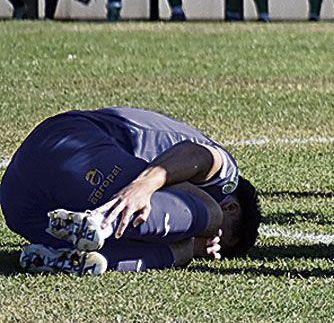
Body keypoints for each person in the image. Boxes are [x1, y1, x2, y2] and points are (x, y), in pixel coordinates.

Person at [2, 106, 260, 275]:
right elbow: (195, 153)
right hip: (69, 146)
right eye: (214, 237)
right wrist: (143, 185)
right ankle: (103, 222)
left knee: (180, 252)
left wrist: (192, 248)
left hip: (22, 207)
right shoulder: (226, 178)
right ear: (231, 206)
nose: (207, 241)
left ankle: (58, 259)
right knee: (208, 213)